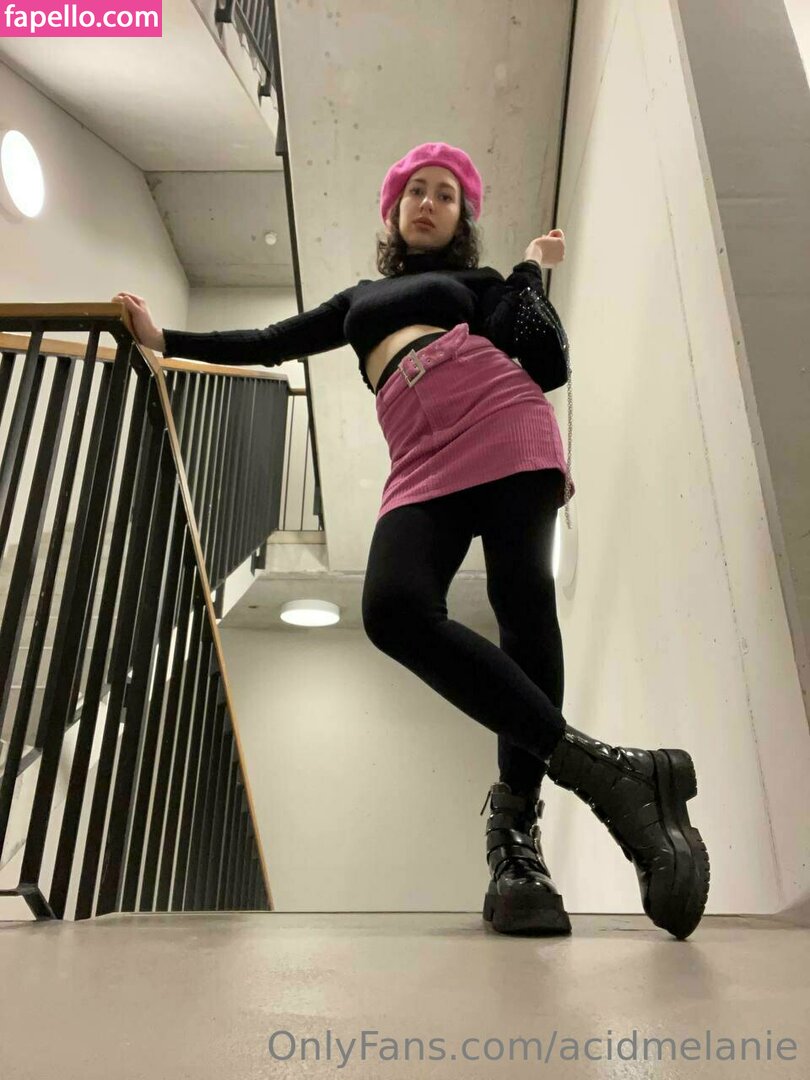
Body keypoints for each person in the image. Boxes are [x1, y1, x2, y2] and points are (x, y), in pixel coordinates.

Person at [112, 141, 710, 941]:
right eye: (416, 191)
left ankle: (516, 844)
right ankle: (614, 778)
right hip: (419, 454)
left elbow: (537, 356)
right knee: (394, 608)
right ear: (394, 210)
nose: (429, 203)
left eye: (447, 195)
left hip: (500, 415)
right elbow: (272, 340)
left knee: (523, 606)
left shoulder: (479, 283)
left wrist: (530, 267)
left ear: (463, 219)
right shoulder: (358, 299)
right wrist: (166, 340)